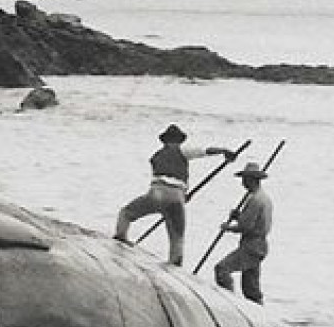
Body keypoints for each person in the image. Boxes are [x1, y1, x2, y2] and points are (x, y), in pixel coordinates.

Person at [114, 124, 239, 266]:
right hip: (176, 197)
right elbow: (204, 151)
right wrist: (224, 151)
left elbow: (163, 176)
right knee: (177, 236)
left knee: (126, 213)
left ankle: (121, 236)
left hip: (156, 192)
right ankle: (175, 261)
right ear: (179, 140)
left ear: (164, 141)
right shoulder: (182, 150)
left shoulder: (156, 156)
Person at [214, 162, 274, 303]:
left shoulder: (256, 200)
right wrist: (238, 215)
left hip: (252, 246)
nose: (242, 183)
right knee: (251, 289)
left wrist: (227, 228)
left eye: (245, 179)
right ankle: (259, 312)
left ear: (251, 180)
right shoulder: (264, 198)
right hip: (258, 245)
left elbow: (246, 226)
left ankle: (229, 304)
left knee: (222, 269)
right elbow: (253, 221)